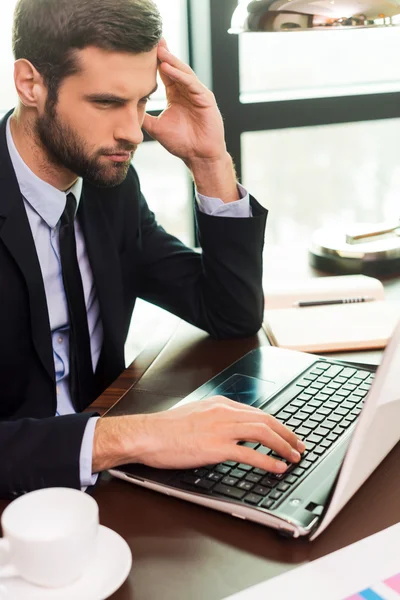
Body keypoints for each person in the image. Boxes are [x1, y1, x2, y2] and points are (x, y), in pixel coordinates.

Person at [0, 0, 305, 499]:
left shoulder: (108, 188)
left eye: (142, 101)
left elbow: (229, 312)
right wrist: (139, 434)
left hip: (109, 483)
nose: (133, 130)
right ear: (30, 84)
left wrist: (210, 161)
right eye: (105, 102)